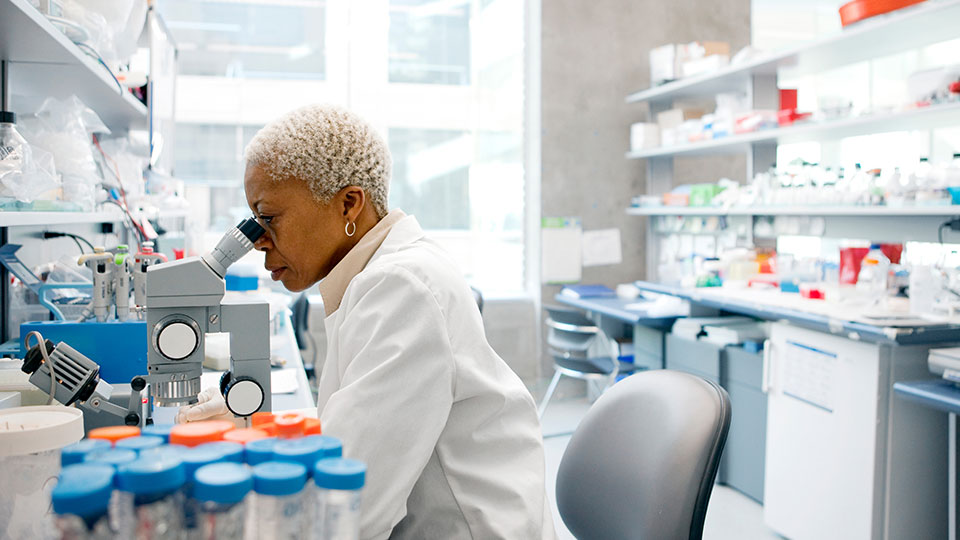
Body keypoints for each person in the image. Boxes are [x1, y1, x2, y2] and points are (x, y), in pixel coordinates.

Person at [177, 104, 556, 539]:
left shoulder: (403, 288)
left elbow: (346, 511)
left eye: (268, 217)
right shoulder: (377, 277)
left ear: (348, 205)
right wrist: (252, 427)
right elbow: (349, 431)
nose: (259, 240)